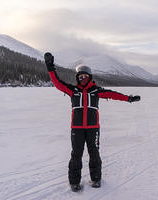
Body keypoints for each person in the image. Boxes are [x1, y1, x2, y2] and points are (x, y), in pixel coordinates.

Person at [44, 52, 140, 192]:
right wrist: (50, 67)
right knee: (76, 154)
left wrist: (128, 99)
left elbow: (113, 94)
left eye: (85, 76)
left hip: (93, 129)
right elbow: (58, 83)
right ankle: (74, 182)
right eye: (80, 76)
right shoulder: (73, 90)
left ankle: (96, 179)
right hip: (77, 129)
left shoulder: (96, 91)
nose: (82, 78)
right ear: (78, 77)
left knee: (94, 153)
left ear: (89, 77)